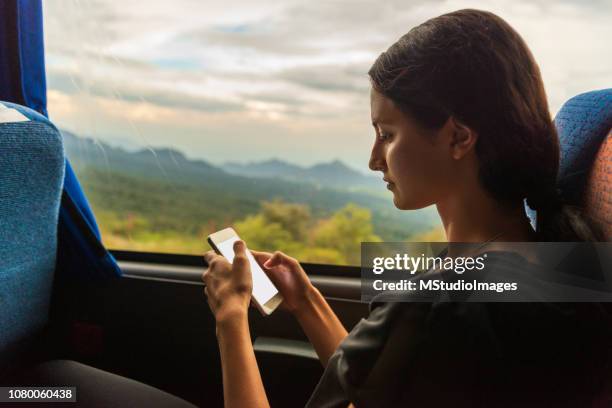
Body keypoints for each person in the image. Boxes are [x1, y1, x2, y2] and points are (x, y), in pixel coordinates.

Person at [202, 9, 611, 407]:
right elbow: (392, 378)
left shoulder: (433, 306)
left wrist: (230, 319)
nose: (374, 159)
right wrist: (306, 301)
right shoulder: (571, 270)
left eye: (387, 134)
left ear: (458, 137)